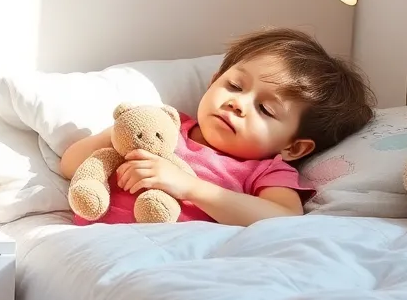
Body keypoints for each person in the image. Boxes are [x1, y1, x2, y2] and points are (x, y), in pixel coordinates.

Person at [59, 28, 375, 227]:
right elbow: (70, 164)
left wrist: (190, 187)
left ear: (293, 147)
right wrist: (124, 135)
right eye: (235, 86)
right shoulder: (167, 128)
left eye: (264, 109)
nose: (237, 103)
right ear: (212, 83)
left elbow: (285, 220)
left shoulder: (266, 171)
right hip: (103, 244)